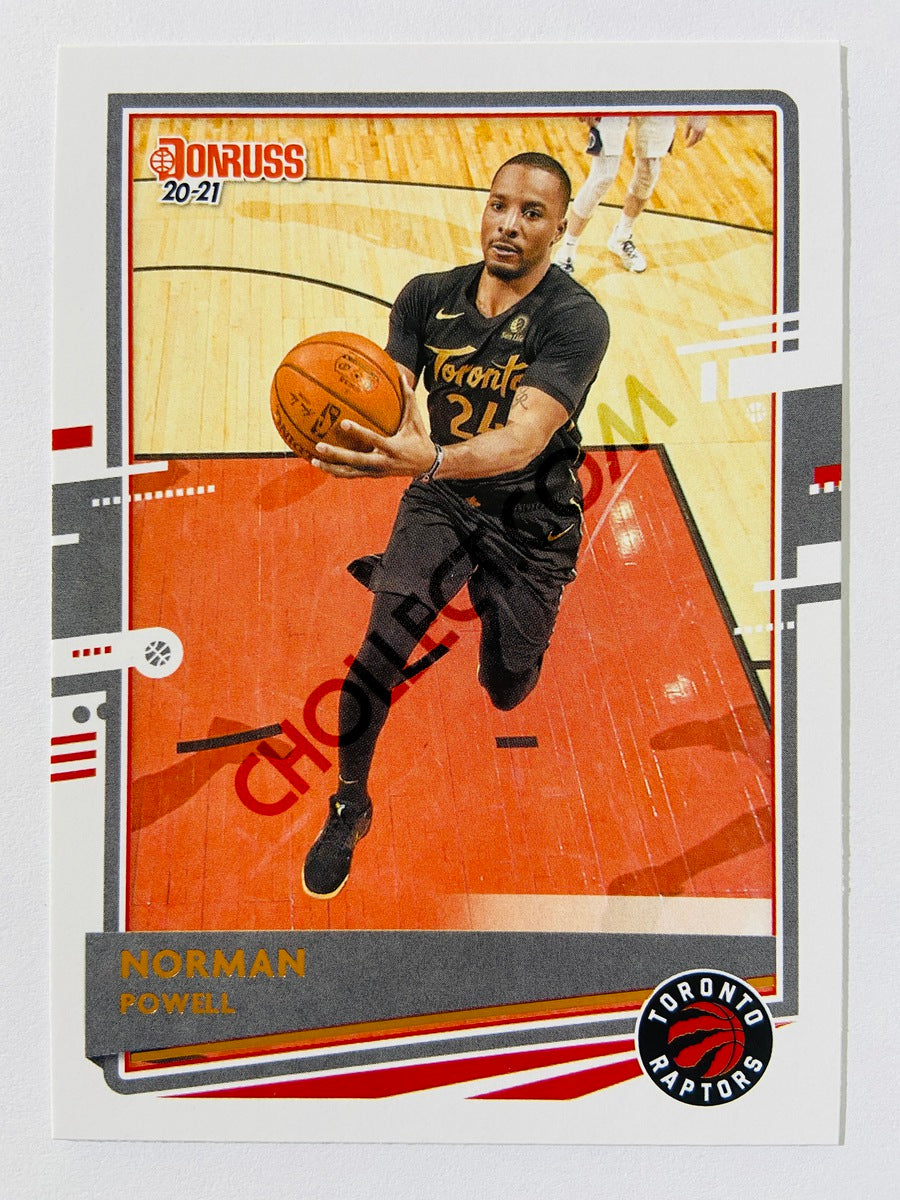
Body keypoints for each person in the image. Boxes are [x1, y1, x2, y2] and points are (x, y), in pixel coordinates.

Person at [302, 152, 610, 900]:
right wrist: (350, 435)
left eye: (532, 213)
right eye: (498, 205)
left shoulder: (576, 319)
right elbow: (391, 393)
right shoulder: (426, 296)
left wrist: (431, 456)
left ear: (560, 226)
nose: (508, 224)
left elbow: (525, 437)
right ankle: (349, 802)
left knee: (506, 689)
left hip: (532, 524)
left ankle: (481, 599)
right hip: (442, 502)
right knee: (377, 654)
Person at [555, 114, 708, 275]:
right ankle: (566, 252)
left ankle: (621, 238)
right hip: (613, 99)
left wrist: (700, 112)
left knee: (649, 172)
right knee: (603, 176)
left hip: (656, 101)